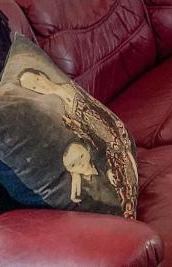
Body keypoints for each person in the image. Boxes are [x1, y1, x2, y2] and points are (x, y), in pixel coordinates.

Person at [18, 68, 138, 218]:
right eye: (33, 87)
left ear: (42, 74)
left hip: (117, 140)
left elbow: (105, 126)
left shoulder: (71, 87)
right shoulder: (63, 115)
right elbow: (89, 142)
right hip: (108, 152)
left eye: (36, 80)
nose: (38, 86)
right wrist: (76, 169)